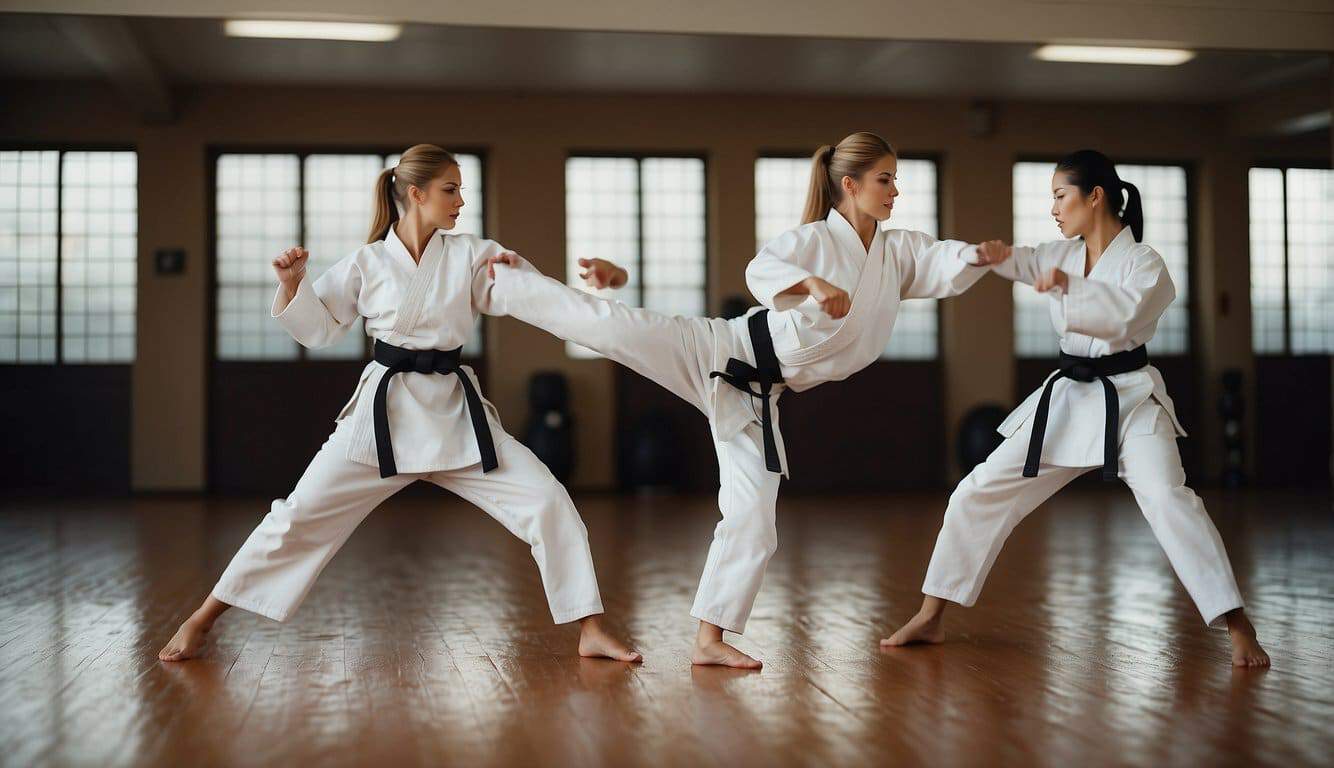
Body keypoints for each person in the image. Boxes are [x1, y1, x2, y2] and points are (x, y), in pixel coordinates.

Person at [484, 132, 1010, 668]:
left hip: (759, 396)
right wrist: (811, 284)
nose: (896, 190)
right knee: (605, 324)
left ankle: (709, 639)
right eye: (885, 179)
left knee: (755, 520)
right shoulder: (815, 241)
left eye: (896, 179)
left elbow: (940, 261)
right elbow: (763, 269)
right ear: (850, 185)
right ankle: (502, 279)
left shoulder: (896, 252)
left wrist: (974, 255)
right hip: (718, 348)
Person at [158, 144, 639, 663]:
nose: (461, 201)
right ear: (416, 193)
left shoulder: (474, 254)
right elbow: (317, 332)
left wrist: (602, 285)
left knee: (546, 499)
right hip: (379, 421)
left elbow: (534, 298)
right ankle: (201, 619)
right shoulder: (366, 263)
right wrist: (293, 285)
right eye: (450, 189)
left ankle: (590, 627)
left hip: (456, 417)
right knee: (296, 519)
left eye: (461, 189)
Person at [883, 150, 1270, 668]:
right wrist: (984, 255)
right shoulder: (1056, 254)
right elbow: (1013, 259)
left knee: (1170, 500)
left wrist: (1071, 288)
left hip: (1130, 401)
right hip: (1068, 399)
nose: (1054, 210)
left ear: (1095, 196)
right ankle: (932, 615)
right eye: (1052, 199)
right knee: (978, 490)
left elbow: (1123, 316)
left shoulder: (1144, 264)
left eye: (1060, 196)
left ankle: (1237, 624)